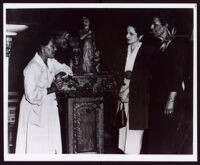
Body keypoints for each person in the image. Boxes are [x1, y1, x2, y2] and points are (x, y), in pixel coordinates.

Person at [15, 32, 73, 154]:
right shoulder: (33, 67)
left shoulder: (51, 62)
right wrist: (52, 89)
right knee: (37, 147)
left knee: (50, 145)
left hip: (48, 108)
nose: (55, 49)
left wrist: (60, 74)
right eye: (52, 46)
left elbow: (67, 69)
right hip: (35, 111)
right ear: (42, 47)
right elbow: (31, 95)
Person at [146, 14, 186, 154]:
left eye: (156, 24)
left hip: (169, 99)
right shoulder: (159, 46)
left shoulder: (177, 46)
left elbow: (177, 75)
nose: (152, 27)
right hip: (157, 99)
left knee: (167, 139)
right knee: (156, 139)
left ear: (166, 25)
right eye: (152, 24)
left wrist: (171, 100)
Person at [113, 24, 154, 154]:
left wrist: (129, 90)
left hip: (137, 96)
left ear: (140, 36)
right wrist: (120, 90)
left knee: (135, 133)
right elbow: (116, 72)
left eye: (131, 34)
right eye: (127, 33)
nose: (127, 36)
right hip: (122, 94)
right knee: (123, 131)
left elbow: (146, 77)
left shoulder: (148, 51)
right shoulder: (121, 50)